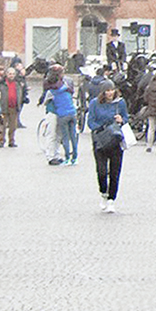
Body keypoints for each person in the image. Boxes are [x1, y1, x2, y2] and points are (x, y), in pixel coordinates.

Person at [87, 84, 130, 212]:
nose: (110, 93)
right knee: (101, 171)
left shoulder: (120, 103)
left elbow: (126, 118)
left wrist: (121, 120)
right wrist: (101, 128)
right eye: (107, 91)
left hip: (115, 140)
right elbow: (91, 121)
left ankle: (112, 199)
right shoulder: (94, 103)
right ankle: (103, 192)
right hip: (100, 139)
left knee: (115, 171)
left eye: (111, 90)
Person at [44, 71, 79, 165]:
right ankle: (55, 155)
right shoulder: (66, 87)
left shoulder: (51, 91)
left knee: (53, 135)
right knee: (58, 135)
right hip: (64, 113)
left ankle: (52, 156)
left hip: (54, 113)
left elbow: (45, 101)